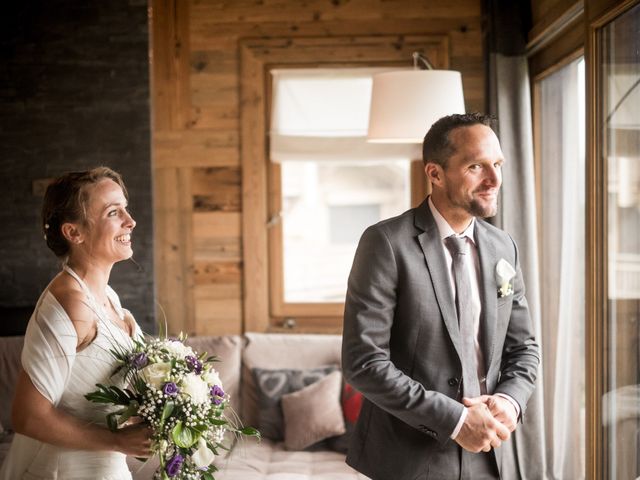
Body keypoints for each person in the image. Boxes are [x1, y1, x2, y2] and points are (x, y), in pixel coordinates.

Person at [341, 113, 540, 480]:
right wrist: (458, 420)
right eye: (476, 166)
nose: (494, 180)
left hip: (493, 454)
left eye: (497, 164)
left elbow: (523, 347)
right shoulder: (385, 243)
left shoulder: (503, 247)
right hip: (407, 460)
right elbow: (364, 362)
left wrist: (510, 403)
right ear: (434, 173)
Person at [0, 167, 152, 480]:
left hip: (106, 468)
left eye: (125, 207)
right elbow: (27, 416)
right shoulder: (71, 303)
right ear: (74, 233)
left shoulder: (106, 296)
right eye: (113, 211)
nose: (130, 220)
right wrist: (117, 441)